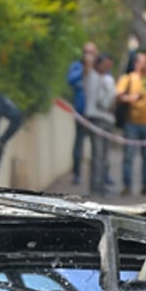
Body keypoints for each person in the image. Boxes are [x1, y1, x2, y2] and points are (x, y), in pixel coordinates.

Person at [115, 51, 146, 197]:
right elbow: (118, 96)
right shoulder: (128, 79)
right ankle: (127, 187)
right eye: (144, 61)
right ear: (137, 63)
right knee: (128, 157)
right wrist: (130, 98)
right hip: (131, 124)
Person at [66, 42, 98, 186]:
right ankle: (77, 174)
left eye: (92, 52)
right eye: (86, 52)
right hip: (81, 111)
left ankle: (101, 175)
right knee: (79, 144)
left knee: (98, 146)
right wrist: (85, 69)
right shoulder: (77, 67)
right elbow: (70, 80)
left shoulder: (100, 68)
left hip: (97, 113)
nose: (89, 55)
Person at [83, 53, 116, 196]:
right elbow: (87, 61)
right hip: (96, 119)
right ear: (97, 64)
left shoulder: (105, 78)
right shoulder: (92, 76)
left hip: (106, 120)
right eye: (105, 64)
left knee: (104, 156)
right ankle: (96, 188)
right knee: (98, 155)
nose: (108, 68)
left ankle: (101, 185)